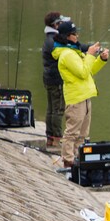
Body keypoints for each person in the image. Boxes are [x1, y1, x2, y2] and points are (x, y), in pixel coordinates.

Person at [51, 20, 108, 168]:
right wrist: (89, 54)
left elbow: (89, 70)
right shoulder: (67, 55)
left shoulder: (74, 52)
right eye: (74, 34)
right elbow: (83, 73)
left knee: (83, 134)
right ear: (67, 36)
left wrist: (101, 60)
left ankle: (78, 159)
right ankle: (68, 161)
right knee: (72, 133)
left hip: (85, 96)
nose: (77, 36)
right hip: (76, 98)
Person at [41, 12, 75, 148]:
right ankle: (56, 138)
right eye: (60, 23)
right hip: (56, 80)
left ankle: (50, 137)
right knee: (58, 109)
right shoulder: (53, 40)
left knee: (51, 108)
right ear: (55, 25)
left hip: (48, 78)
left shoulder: (49, 38)